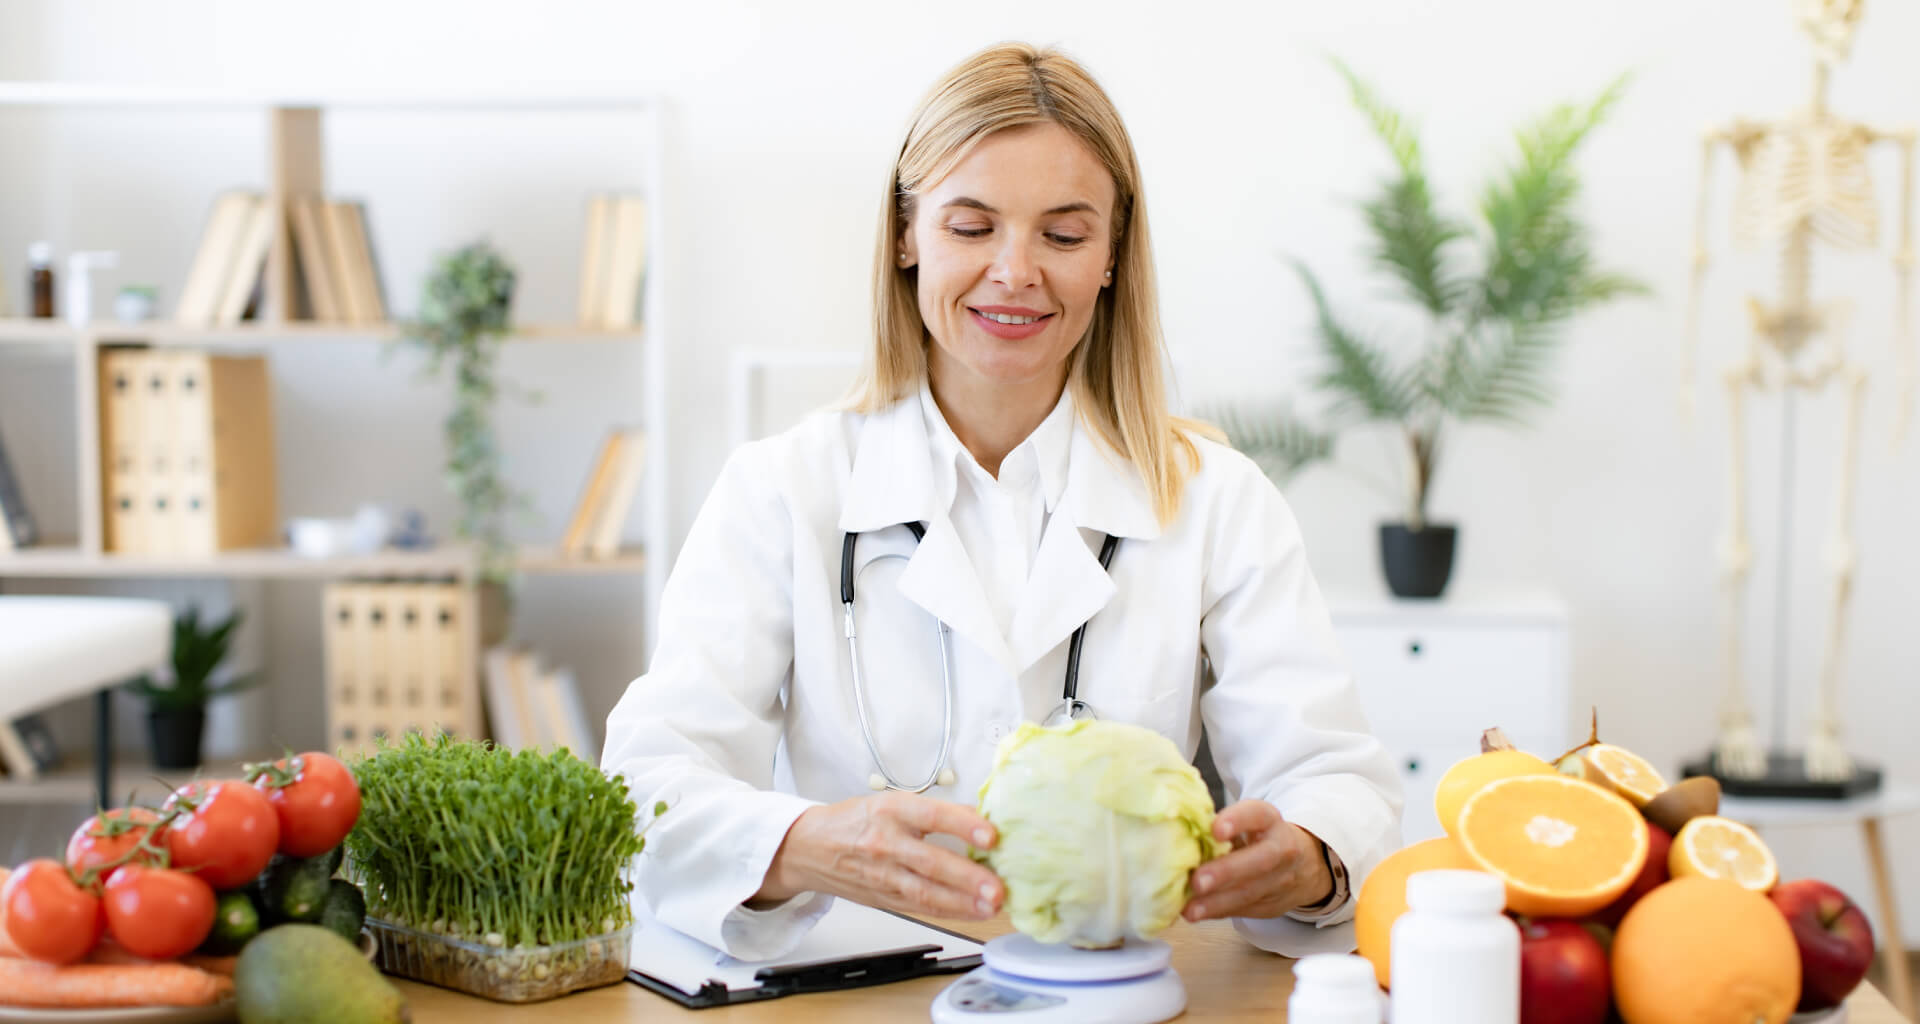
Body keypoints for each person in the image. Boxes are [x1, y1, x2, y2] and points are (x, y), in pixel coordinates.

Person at [602, 41, 1401, 962]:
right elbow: (648, 786)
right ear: (906, 236)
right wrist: (801, 846)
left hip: (1117, 994)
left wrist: (1310, 853)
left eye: (1064, 236)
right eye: (972, 227)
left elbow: (1338, 781)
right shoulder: (782, 490)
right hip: (861, 990)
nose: (1017, 271)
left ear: (1111, 255)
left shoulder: (1217, 500)